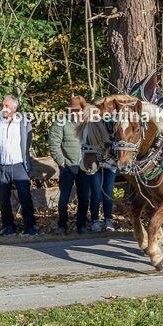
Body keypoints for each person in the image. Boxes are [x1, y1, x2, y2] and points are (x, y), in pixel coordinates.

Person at [0, 95, 37, 236]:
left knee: (25, 197)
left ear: (15, 108)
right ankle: (8, 227)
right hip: (1, 166)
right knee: (4, 200)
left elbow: (27, 142)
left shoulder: (24, 122)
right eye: (3, 105)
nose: (3, 108)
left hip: (19, 166)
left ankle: (30, 226)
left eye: (7, 106)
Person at [49, 95, 94, 234]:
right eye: (73, 110)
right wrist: (62, 162)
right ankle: (62, 225)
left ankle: (81, 225)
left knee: (84, 198)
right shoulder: (61, 122)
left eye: (78, 110)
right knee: (63, 199)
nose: (75, 113)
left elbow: (95, 143)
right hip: (68, 166)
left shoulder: (89, 123)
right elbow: (54, 144)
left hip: (84, 166)